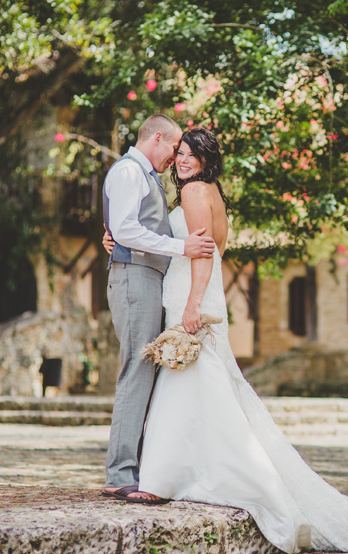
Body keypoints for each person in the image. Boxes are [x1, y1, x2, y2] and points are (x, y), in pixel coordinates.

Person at [109, 127, 348, 553]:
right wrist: (122, 238)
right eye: (179, 153)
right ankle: (173, 472)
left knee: (190, 381)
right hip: (193, 289)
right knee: (201, 383)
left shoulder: (194, 193)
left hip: (191, 294)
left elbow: (202, 253)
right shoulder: (211, 193)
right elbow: (215, 247)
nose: (181, 160)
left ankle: (167, 478)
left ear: (205, 160)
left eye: (190, 154)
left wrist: (193, 304)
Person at [102, 115, 216, 504]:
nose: (175, 157)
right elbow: (127, 229)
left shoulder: (146, 176)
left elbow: (127, 230)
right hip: (135, 277)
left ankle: (136, 467)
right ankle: (120, 473)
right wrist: (179, 247)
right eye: (174, 148)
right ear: (157, 138)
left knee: (146, 370)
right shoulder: (130, 171)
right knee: (137, 367)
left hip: (147, 277)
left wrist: (119, 239)